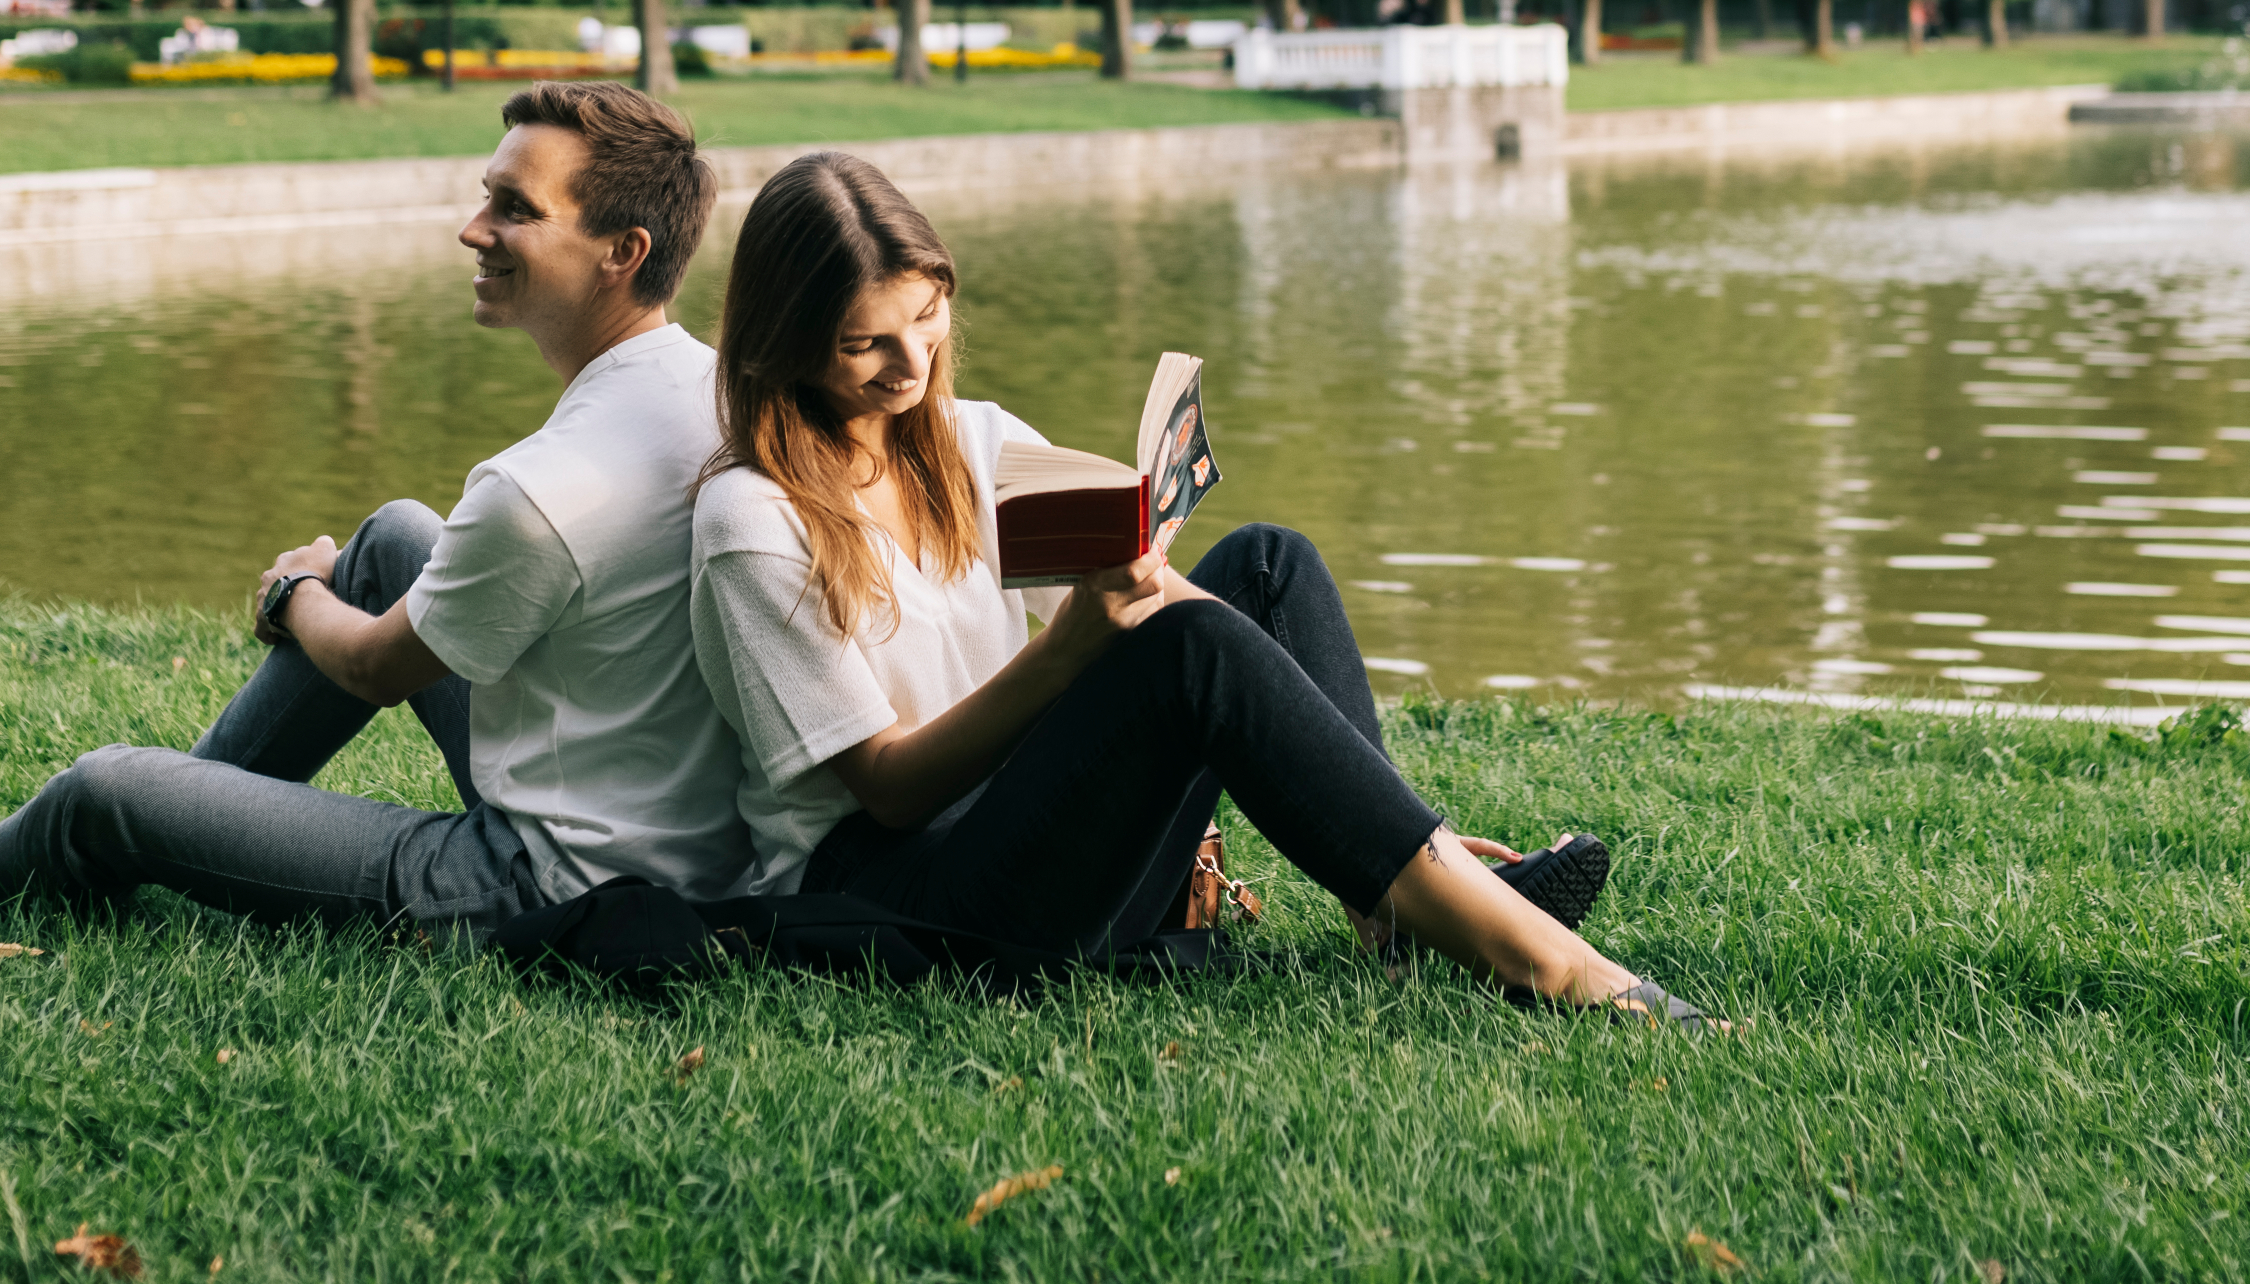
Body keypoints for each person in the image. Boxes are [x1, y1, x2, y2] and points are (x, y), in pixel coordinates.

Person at [686, 150, 1715, 1024]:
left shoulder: (973, 441)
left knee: (1263, 567)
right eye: (863, 343)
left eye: (927, 316)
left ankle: (1396, 897)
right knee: (1190, 648)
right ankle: (1549, 965)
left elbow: (1178, 628)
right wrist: (1067, 655)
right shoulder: (753, 524)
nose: (910, 363)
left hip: (1036, 831)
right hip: (903, 899)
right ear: (785, 343)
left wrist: (1145, 578)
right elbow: (887, 788)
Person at [0, 81, 750, 941]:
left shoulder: (539, 484)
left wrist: (295, 591)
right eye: (485, 197)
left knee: (108, 786)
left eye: (513, 209)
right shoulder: (711, 392)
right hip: (662, 831)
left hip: (537, 883)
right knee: (394, 535)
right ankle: (171, 825)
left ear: (623, 250)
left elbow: (372, 666)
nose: (470, 228)